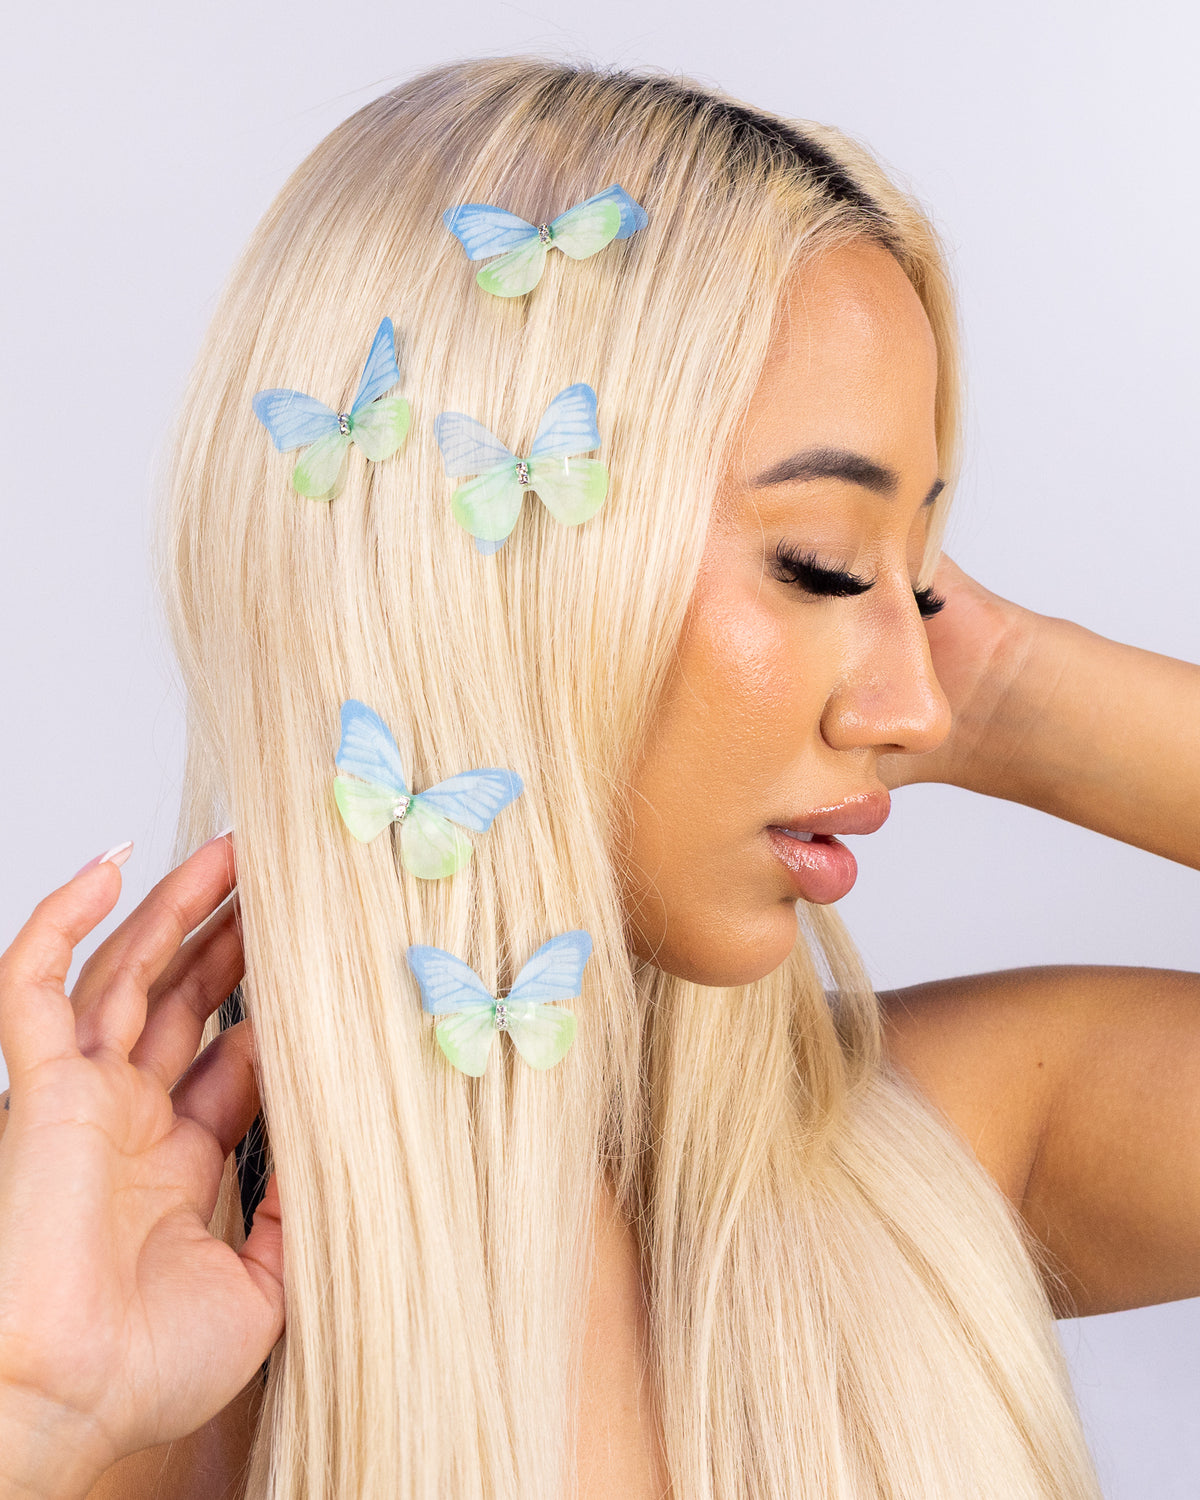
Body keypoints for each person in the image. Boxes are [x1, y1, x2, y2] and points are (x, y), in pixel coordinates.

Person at [0, 55, 1196, 1500]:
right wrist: (36, 1416)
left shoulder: (939, 1155)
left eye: (924, 580)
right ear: (492, 570)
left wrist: (1014, 689)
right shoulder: (99, 1306)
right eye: (822, 560)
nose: (917, 701)